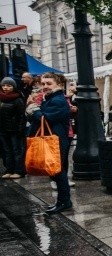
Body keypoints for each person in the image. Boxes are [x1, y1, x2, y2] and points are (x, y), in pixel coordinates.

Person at [27, 73, 73, 213]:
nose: (45, 86)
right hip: (53, 139)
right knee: (57, 171)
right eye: (43, 83)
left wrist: (33, 110)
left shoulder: (58, 100)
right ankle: (62, 201)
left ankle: (64, 202)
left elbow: (45, 119)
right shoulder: (51, 98)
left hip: (56, 139)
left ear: (58, 84)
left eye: (49, 83)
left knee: (58, 171)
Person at [0, 77, 27, 179]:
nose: (6, 88)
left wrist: (20, 129)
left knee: (17, 151)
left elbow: (21, 116)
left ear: (13, 87)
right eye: (4, 85)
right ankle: (9, 170)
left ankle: (19, 171)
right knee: (7, 151)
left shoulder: (17, 99)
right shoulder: (1, 98)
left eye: (9, 85)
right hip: (2, 130)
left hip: (15, 130)